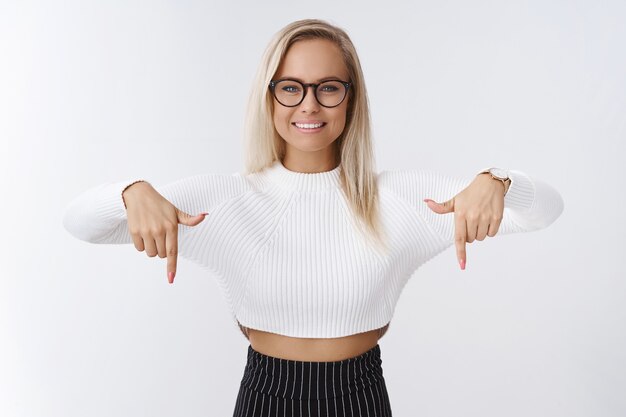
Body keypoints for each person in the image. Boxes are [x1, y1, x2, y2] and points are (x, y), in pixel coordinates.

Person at [62, 18, 564, 417]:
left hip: (359, 396)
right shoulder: (224, 199)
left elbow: (544, 212)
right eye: (291, 87)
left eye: (328, 87)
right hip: (265, 396)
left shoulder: (403, 198)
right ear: (269, 96)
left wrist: (499, 180)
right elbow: (81, 224)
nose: (309, 104)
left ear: (351, 98)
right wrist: (129, 193)